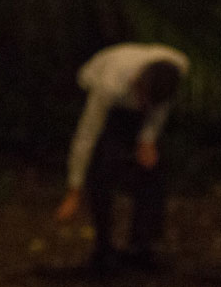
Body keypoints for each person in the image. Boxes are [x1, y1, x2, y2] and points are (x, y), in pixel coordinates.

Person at [56, 42, 188, 272]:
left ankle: (141, 246)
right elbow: (87, 135)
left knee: (152, 170)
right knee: (102, 166)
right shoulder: (109, 85)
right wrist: (74, 189)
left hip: (138, 103)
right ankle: (103, 247)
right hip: (105, 97)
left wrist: (147, 140)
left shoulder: (173, 70)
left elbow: (159, 113)